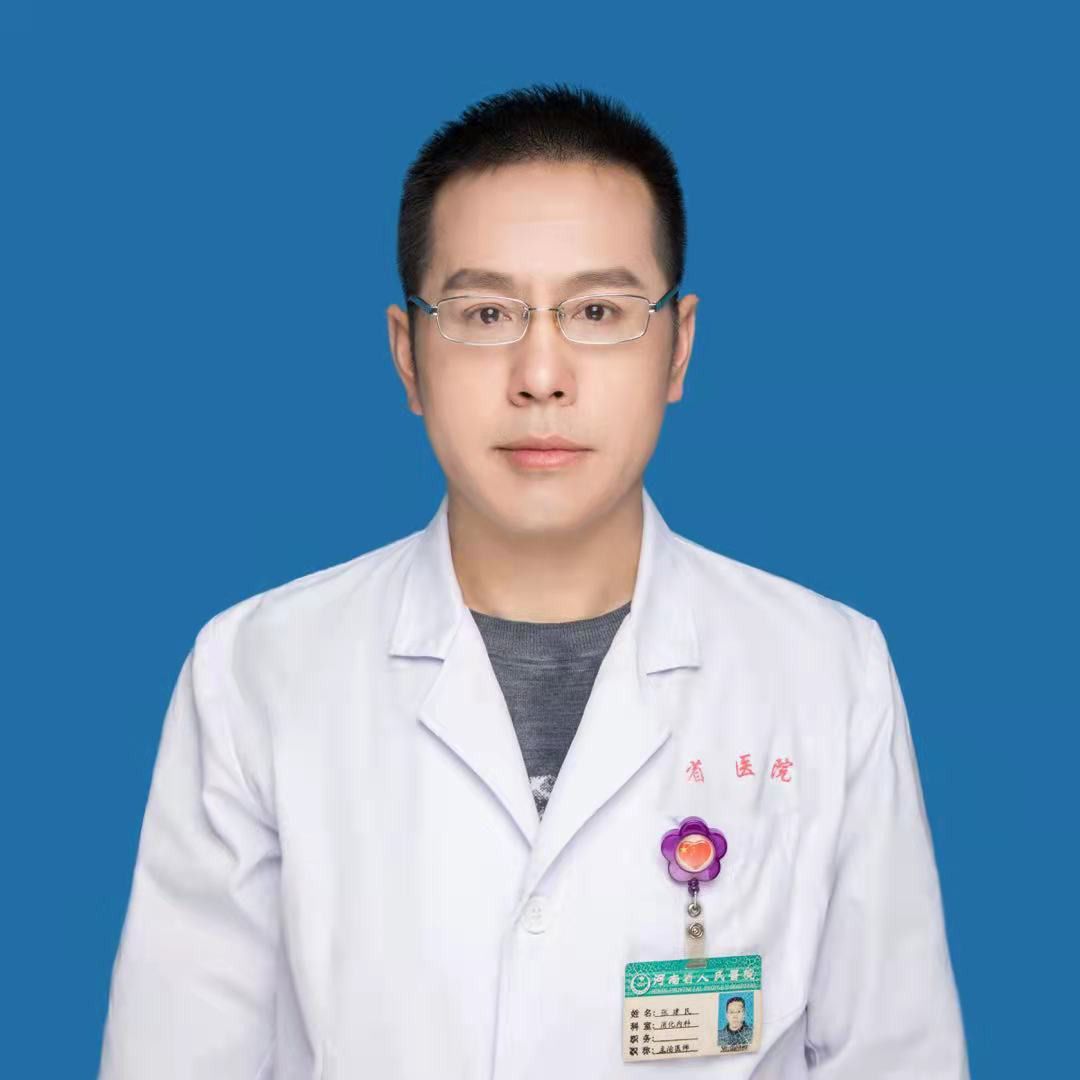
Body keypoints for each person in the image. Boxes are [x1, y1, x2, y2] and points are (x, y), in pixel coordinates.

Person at [98, 82, 970, 1078]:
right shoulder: (257, 672)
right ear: (408, 356)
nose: (541, 373)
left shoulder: (827, 672)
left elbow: (897, 1058)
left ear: (678, 347)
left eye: (598, 311)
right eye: (485, 313)